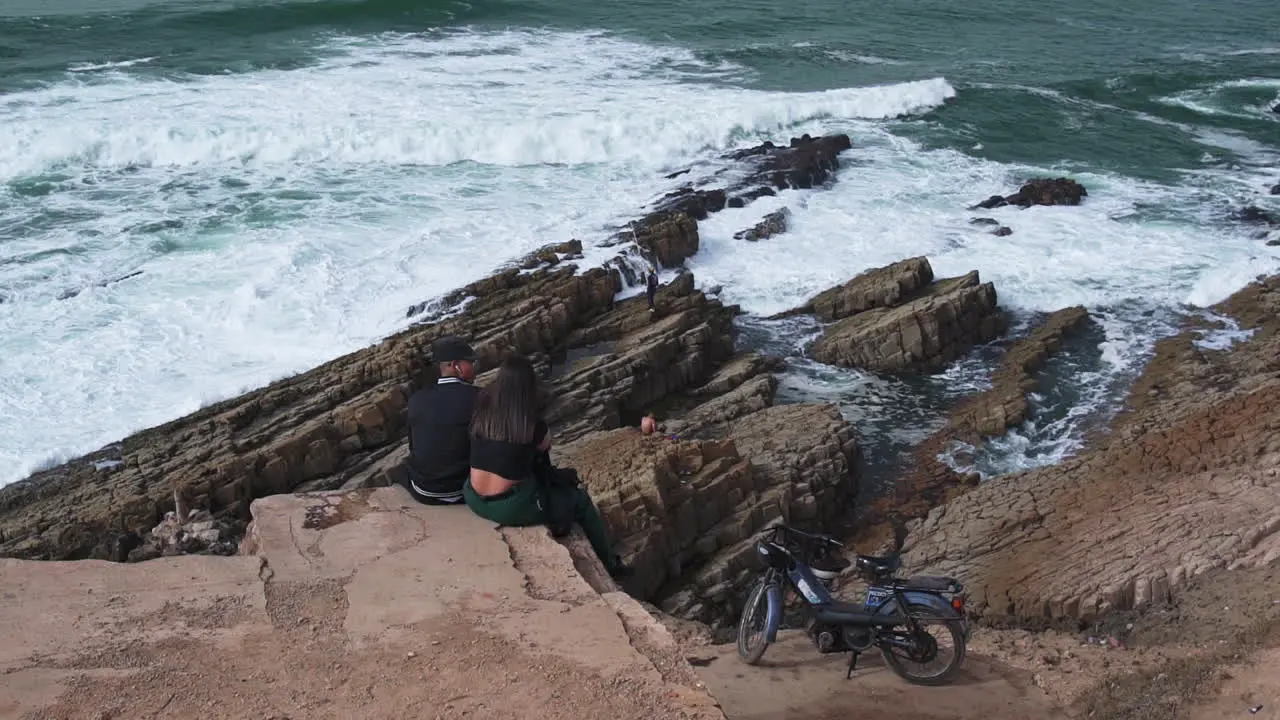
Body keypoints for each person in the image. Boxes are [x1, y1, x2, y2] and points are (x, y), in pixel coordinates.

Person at [464, 355, 630, 577]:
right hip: (509, 507)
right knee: (580, 501)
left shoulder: (482, 414)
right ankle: (610, 564)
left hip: (473, 497)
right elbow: (545, 446)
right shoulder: (530, 425)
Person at [402, 336, 479, 505]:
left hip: (424, 491)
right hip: (464, 489)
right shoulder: (478, 398)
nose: (474, 367)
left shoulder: (416, 399)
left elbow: (413, 445)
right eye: (469, 362)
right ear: (454, 365)